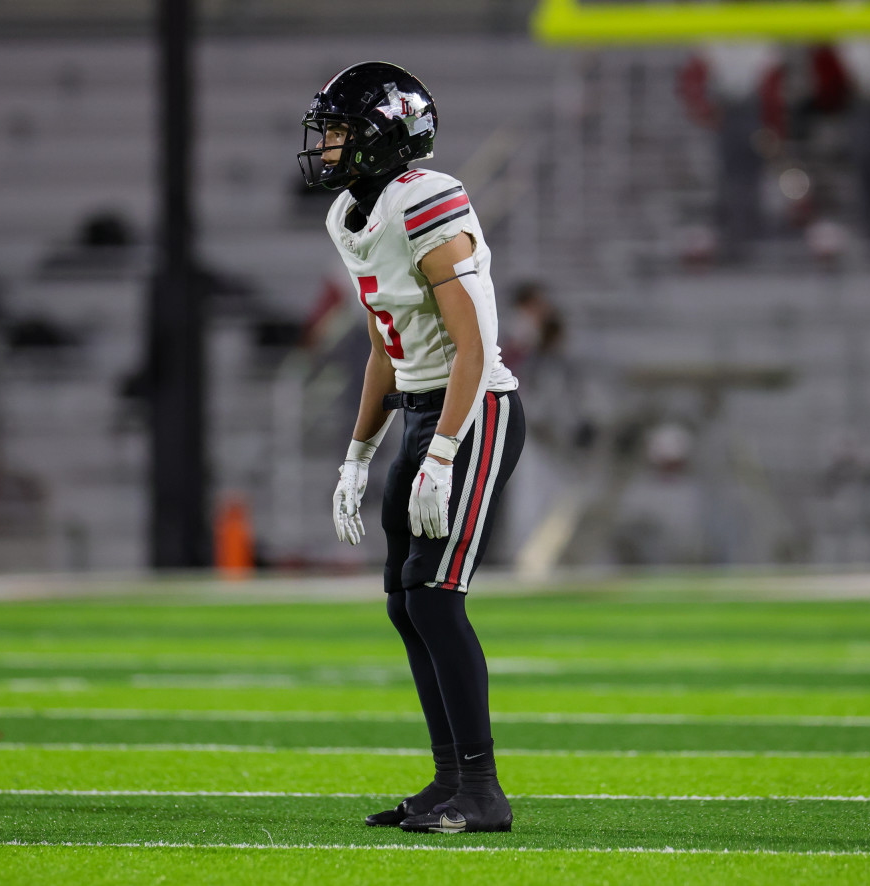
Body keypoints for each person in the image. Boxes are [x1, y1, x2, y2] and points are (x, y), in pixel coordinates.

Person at [297, 61, 524, 834]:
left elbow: (475, 343)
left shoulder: (427, 198)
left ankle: (483, 791)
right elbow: (384, 347)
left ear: (383, 136)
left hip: (475, 408)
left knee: (434, 596)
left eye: (339, 131)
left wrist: (444, 450)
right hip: (422, 410)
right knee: (405, 603)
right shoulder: (350, 217)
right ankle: (448, 779)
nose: (325, 146)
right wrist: (357, 455)